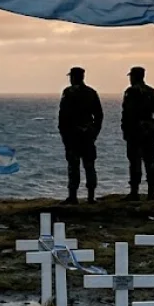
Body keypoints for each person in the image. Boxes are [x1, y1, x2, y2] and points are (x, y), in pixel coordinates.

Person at [58, 66, 103, 204]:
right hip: (87, 135)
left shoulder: (69, 93)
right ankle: (91, 196)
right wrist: (94, 131)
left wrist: (64, 134)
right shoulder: (91, 93)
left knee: (74, 166)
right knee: (89, 166)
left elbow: (63, 116)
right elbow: (99, 115)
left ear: (73, 77)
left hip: (73, 136)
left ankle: (73, 196)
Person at [121, 66, 154, 200]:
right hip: (149, 131)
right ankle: (151, 192)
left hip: (135, 131)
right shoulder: (151, 92)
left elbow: (127, 113)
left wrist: (126, 130)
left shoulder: (131, 92)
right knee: (149, 161)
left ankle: (135, 192)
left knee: (135, 162)